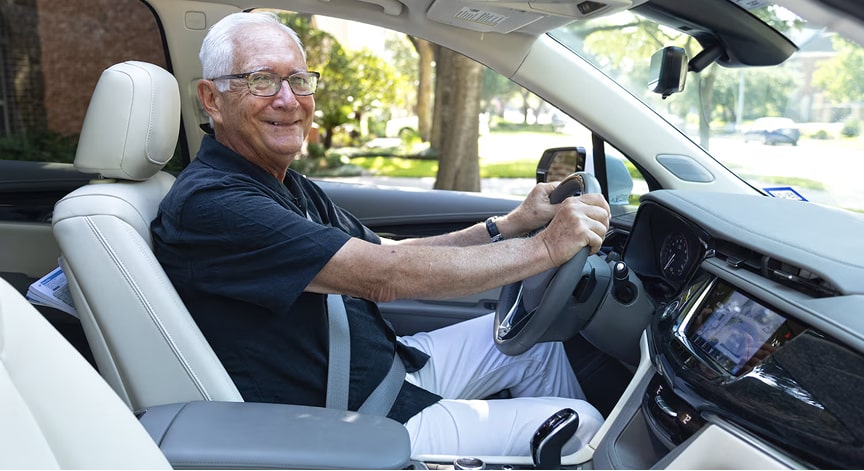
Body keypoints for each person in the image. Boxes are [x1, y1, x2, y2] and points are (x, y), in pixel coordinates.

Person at [151, 10, 612, 458]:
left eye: (298, 80)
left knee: (539, 349)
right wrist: (547, 248)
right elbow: (384, 277)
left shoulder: (280, 182)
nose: (289, 100)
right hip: (354, 421)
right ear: (212, 99)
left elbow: (390, 252)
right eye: (262, 80)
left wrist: (509, 225)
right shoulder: (214, 205)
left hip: (389, 368)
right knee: (582, 422)